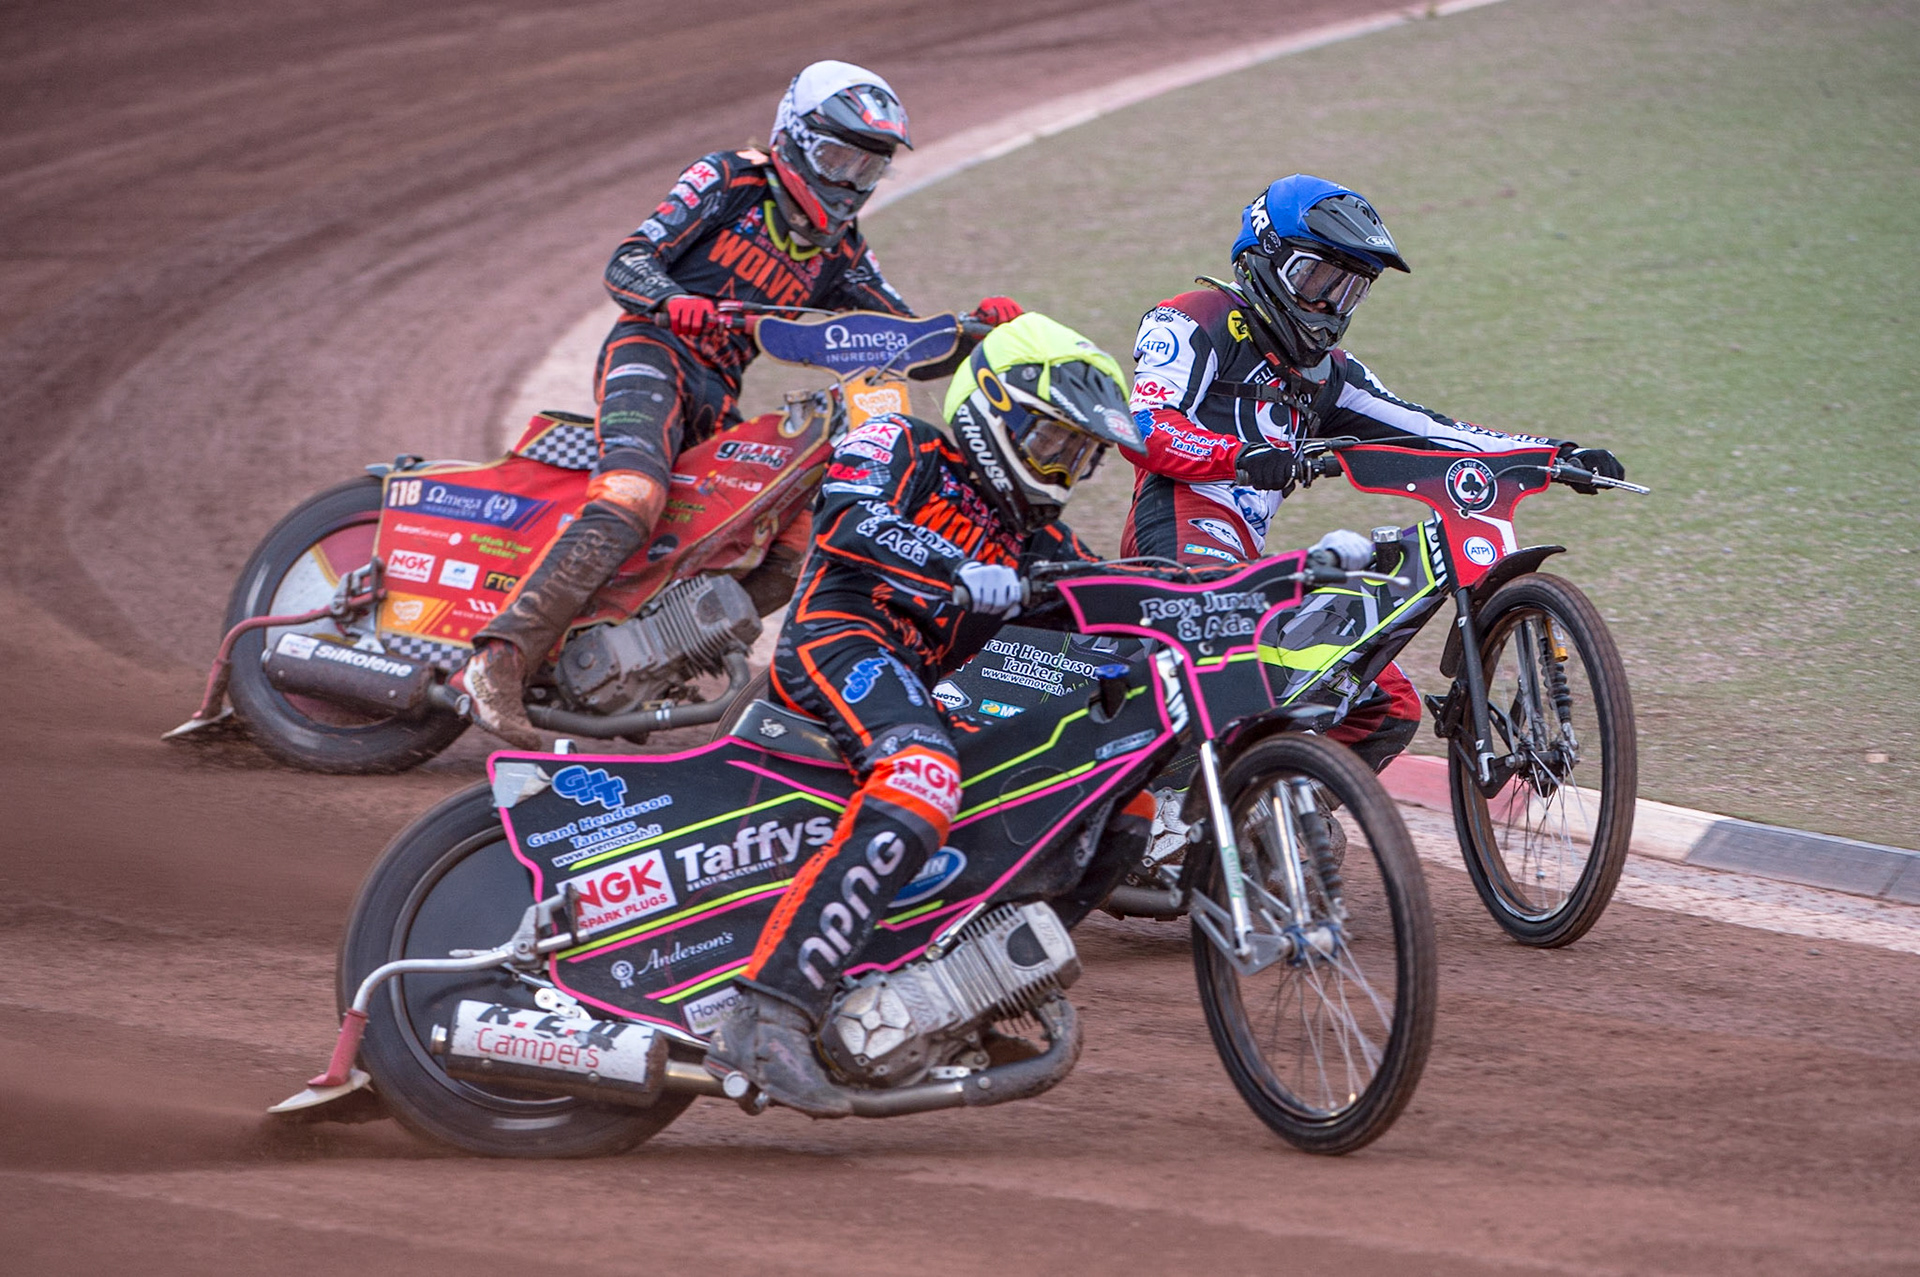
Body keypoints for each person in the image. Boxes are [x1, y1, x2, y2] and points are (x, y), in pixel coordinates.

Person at [464, 60, 1025, 747]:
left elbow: (903, 336)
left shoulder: (840, 252)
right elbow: (628, 261)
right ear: (793, 137)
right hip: (653, 354)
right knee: (635, 495)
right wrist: (674, 302)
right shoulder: (729, 180)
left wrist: (976, 331)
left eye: (866, 168)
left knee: (785, 542)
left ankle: (648, 653)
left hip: (718, 394)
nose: (848, 181)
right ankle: (497, 660)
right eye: (837, 157)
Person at [706, 313, 1136, 1115]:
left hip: (915, 684)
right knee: (924, 779)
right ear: (991, 409)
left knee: (1114, 787)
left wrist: (1260, 594)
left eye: (1080, 453)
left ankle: (957, 992)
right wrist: (959, 565)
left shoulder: (1038, 535)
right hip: (839, 639)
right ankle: (767, 1013)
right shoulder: (902, 442)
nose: (1063, 467)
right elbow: (848, 517)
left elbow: (1121, 595)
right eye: (1051, 442)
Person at [1116, 174, 1625, 772]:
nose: (1330, 305)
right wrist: (1240, 456)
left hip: (1245, 559)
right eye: (1316, 280)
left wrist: (1548, 455)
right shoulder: (1193, 317)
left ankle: (1261, 820)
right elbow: (1144, 427)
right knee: (1230, 654)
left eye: (1349, 289)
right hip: (1177, 526)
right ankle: (1164, 793)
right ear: (1263, 258)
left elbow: (1431, 429)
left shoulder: (1331, 373)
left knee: (1387, 706)